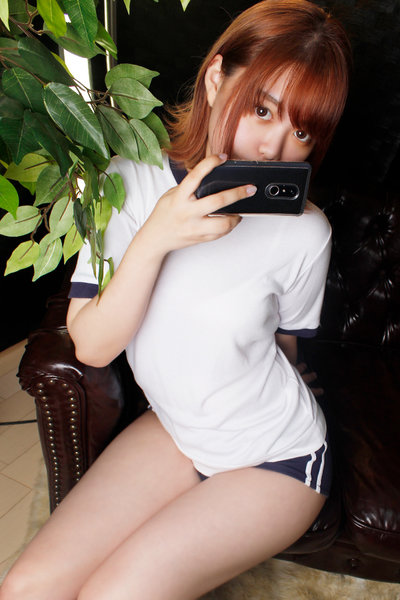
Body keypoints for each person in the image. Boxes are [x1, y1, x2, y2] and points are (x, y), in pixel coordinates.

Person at [1, 1, 352, 599]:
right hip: (176, 428)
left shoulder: (306, 232)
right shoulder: (128, 178)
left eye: (301, 131)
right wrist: (157, 236)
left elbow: (287, 343)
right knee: (27, 588)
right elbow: (93, 346)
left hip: (278, 458)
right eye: (262, 109)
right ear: (216, 79)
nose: (273, 148)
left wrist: (281, 379)